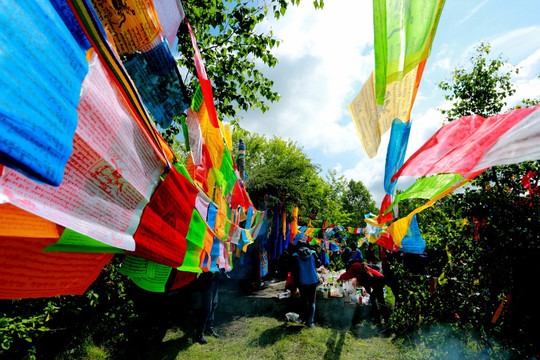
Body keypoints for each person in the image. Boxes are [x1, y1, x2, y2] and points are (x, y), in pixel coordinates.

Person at [292, 245, 322, 328]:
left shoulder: (296, 257)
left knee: (304, 301)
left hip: (302, 281)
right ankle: (310, 322)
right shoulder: (313, 254)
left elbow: (295, 272)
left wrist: (294, 286)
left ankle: (304, 319)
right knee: (312, 302)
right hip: (313, 280)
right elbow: (319, 264)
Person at [195, 270, 222, 344]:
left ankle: (208, 328)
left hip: (215, 275)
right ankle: (199, 333)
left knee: (214, 303)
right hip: (206, 277)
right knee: (207, 307)